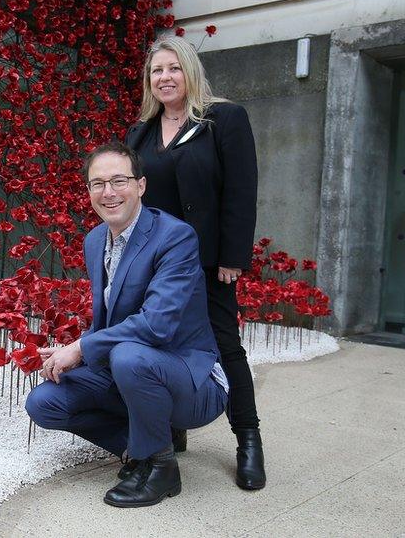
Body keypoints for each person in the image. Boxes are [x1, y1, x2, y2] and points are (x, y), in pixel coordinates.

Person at [26, 142, 229, 508]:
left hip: (192, 379)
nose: (108, 193)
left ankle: (163, 470)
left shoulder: (175, 237)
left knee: (129, 358)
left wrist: (83, 348)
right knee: (45, 402)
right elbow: (113, 320)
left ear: (141, 185)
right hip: (131, 368)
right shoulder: (93, 241)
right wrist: (74, 349)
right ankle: (141, 448)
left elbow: (156, 326)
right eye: (97, 184)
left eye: (119, 181)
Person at [123, 35, 264, 490]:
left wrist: (232, 256)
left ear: (190, 71)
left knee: (225, 344)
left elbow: (242, 190)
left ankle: (248, 440)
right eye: (156, 71)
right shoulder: (141, 133)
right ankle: (168, 430)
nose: (164, 78)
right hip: (155, 263)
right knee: (157, 341)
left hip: (207, 262)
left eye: (173, 68)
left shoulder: (223, 119)